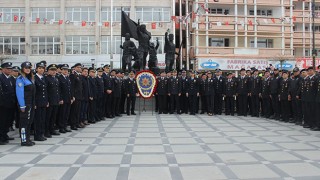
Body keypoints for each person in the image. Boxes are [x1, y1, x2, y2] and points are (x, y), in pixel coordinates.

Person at [16, 61, 36, 146]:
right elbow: (19, 93)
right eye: (26, 68)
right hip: (25, 105)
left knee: (29, 122)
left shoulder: (29, 78)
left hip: (30, 104)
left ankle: (27, 138)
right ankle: (24, 140)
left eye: (29, 68)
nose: (28, 69)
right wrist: (22, 105)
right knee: (24, 123)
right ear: (22, 69)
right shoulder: (20, 79)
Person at [0, 62, 16, 145]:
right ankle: (1, 137)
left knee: (8, 121)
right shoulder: (1, 78)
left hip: (11, 103)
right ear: (2, 69)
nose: (9, 70)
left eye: (10, 69)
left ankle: (5, 134)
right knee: (2, 121)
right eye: (7, 69)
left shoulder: (11, 78)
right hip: (3, 104)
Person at [45, 64, 61, 137]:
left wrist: (59, 99)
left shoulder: (56, 78)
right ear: (48, 71)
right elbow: (46, 91)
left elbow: (58, 90)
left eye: (55, 70)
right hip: (50, 101)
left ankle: (52, 129)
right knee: (48, 117)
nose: (54, 71)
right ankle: (46, 130)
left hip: (56, 100)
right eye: (52, 70)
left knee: (53, 117)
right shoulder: (46, 79)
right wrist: (47, 101)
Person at [34, 62, 48, 141]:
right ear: (36, 69)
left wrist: (46, 101)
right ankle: (37, 135)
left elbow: (45, 91)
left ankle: (41, 133)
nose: (41, 69)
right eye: (39, 68)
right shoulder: (34, 78)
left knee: (43, 118)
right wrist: (34, 103)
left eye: (42, 68)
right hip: (37, 102)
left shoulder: (44, 78)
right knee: (38, 119)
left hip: (43, 102)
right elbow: (34, 92)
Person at [58, 64, 72, 133]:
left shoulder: (67, 78)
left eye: (66, 70)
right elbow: (59, 90)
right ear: (61, 70)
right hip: (63, 99)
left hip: (68, 98)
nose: (66, 71)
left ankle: (65, 125)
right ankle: (61, 127)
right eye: (64, 70)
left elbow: (70, 89)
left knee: (67, 113)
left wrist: (71, 97)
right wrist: (60, 99)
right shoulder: (59, 78)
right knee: (62, 114)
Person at [70, 63, 83, 130]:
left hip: (79, 96)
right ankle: (73, 124)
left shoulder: (79, 76)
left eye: (80, 67)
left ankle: (77, 123)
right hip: (75, 96)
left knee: (78, 110)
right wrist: (72, 96)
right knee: (74, 111)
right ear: (74, 68)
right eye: (78, 67)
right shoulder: (72, 75)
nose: (79, 68)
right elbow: (72, 87)